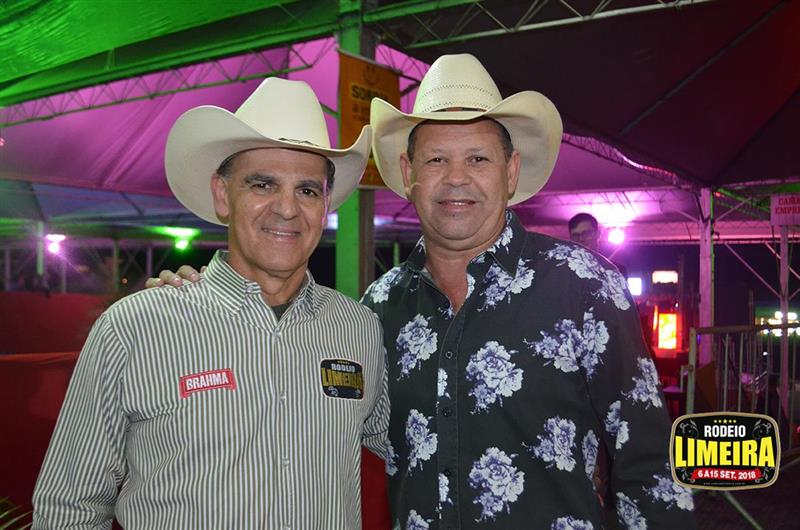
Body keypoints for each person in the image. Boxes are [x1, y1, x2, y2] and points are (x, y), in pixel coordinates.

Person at [154, 55, 696, 529]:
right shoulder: (377, 309)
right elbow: (305, 414)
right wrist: (201, 301)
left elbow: (650, 464)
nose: (456, 178)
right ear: (408, 173)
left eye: (478, 158)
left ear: (510, 172)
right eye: (437, 159)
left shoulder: (583, 285)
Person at [32, 77, 389, 529]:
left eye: (307, 190)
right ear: (222, 195)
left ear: (325, 205)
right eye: (263, 184)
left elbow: (414, 446)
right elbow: (69, 508)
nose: (287, 208)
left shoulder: (358, 328)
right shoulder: (136, 327)